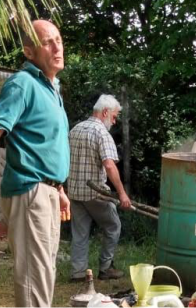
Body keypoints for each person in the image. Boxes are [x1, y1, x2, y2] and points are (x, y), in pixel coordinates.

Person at [0, 20, 70, 308]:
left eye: (58, 39)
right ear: (29, 51)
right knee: (34, 279)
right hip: (29, 192)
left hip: (46, 192)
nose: (57, 46)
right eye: (47, 42)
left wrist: (58, 189)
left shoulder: (51, 88)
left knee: (44, 273)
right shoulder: (22, 84)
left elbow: (45, 145)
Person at [67, 94, 132, 281]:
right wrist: (122, 194)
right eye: (114, 116)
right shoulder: (101, 133)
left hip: (75, 191)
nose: (114, 120)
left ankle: (78, 273)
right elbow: (110, 165)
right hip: (95, 193)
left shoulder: (75, 129)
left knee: (80, 233)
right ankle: (106, 267)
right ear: (105, 112)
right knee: (113, 226)